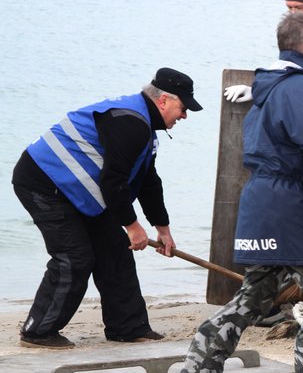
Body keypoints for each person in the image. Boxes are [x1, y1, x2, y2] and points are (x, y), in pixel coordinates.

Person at [180, 12, 303, 373]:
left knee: (255, 297)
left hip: (260, 204)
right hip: (291, 206)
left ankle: (199, 368)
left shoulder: (270, 86)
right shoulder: (300, 87)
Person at [11, 68, 202, 349]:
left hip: (80, 190)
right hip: (43, 182)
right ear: (163, 101)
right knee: (74, 257)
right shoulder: (131, 123)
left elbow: (148, 180)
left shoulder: (145, 127)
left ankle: (128, 328)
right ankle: (38, 332)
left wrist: (163, 229)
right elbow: (113, 183)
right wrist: (133, 227)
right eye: (183, 108)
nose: (184, 116)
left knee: (115, 251)